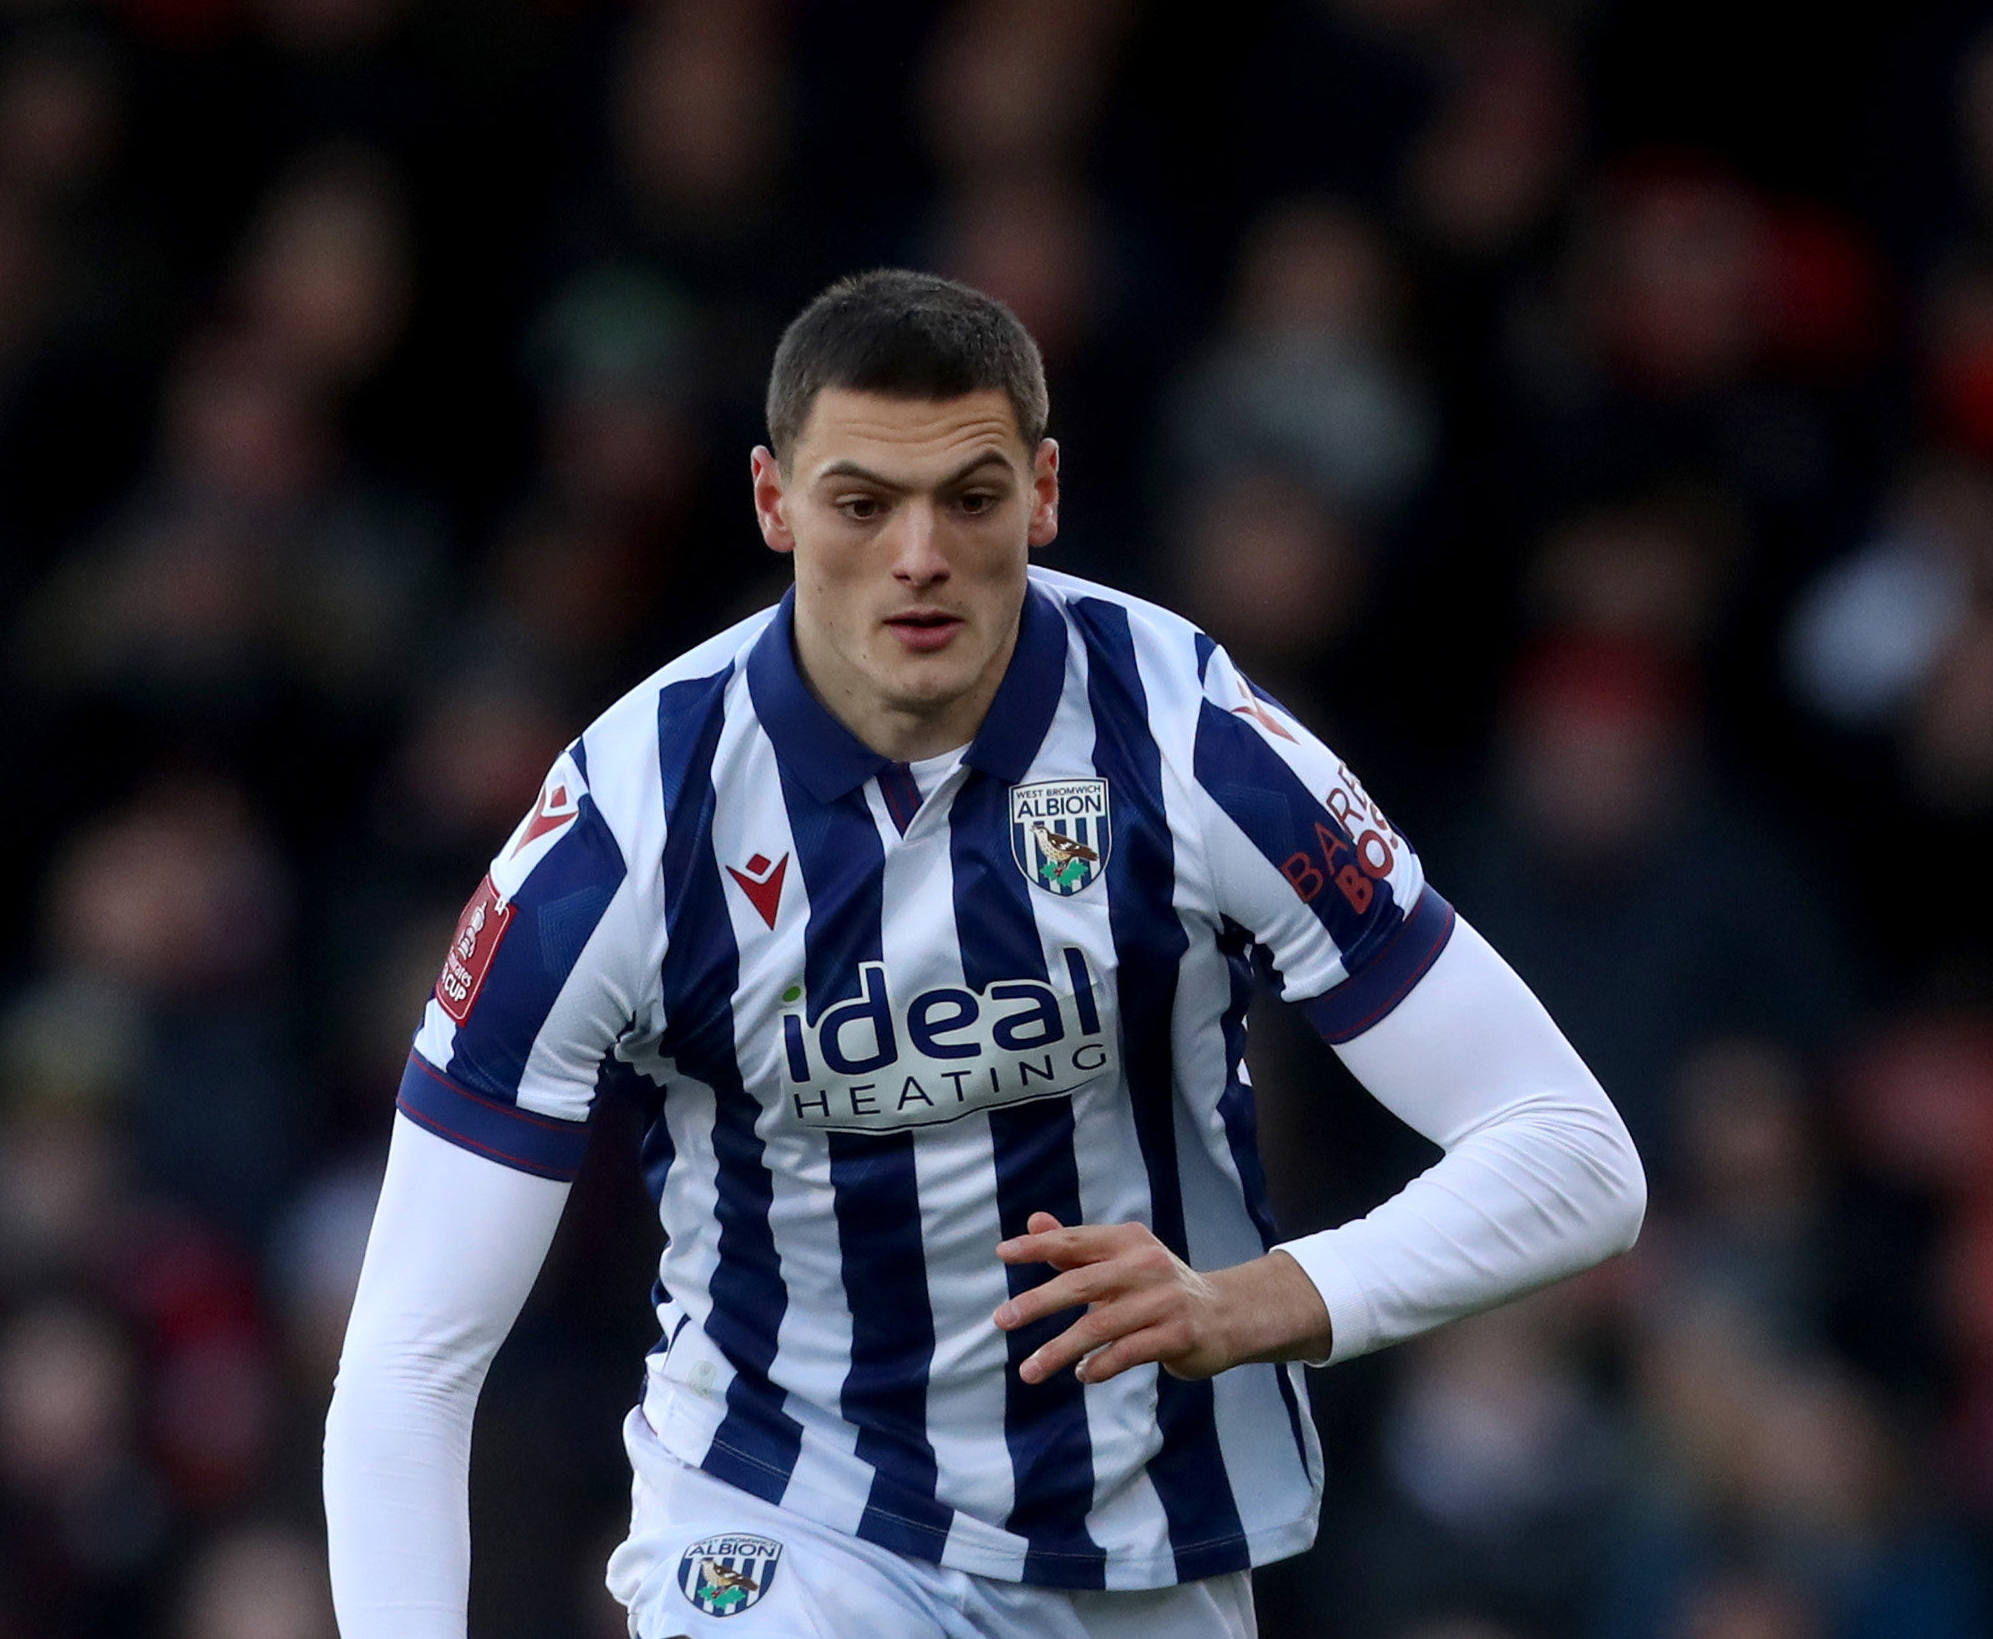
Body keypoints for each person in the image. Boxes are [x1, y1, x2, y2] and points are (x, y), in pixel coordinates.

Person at [322, 270, 1647, 1639]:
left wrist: (1270, 1299)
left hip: (1138, 1543)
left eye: (969, 497)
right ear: (774, 502)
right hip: (783, 1518)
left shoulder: (1188, 740)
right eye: (860, 503)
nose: (917, 555)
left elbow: (1571, 1153)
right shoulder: (628, 823)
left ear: (1045, 492)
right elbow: (411, 1363)